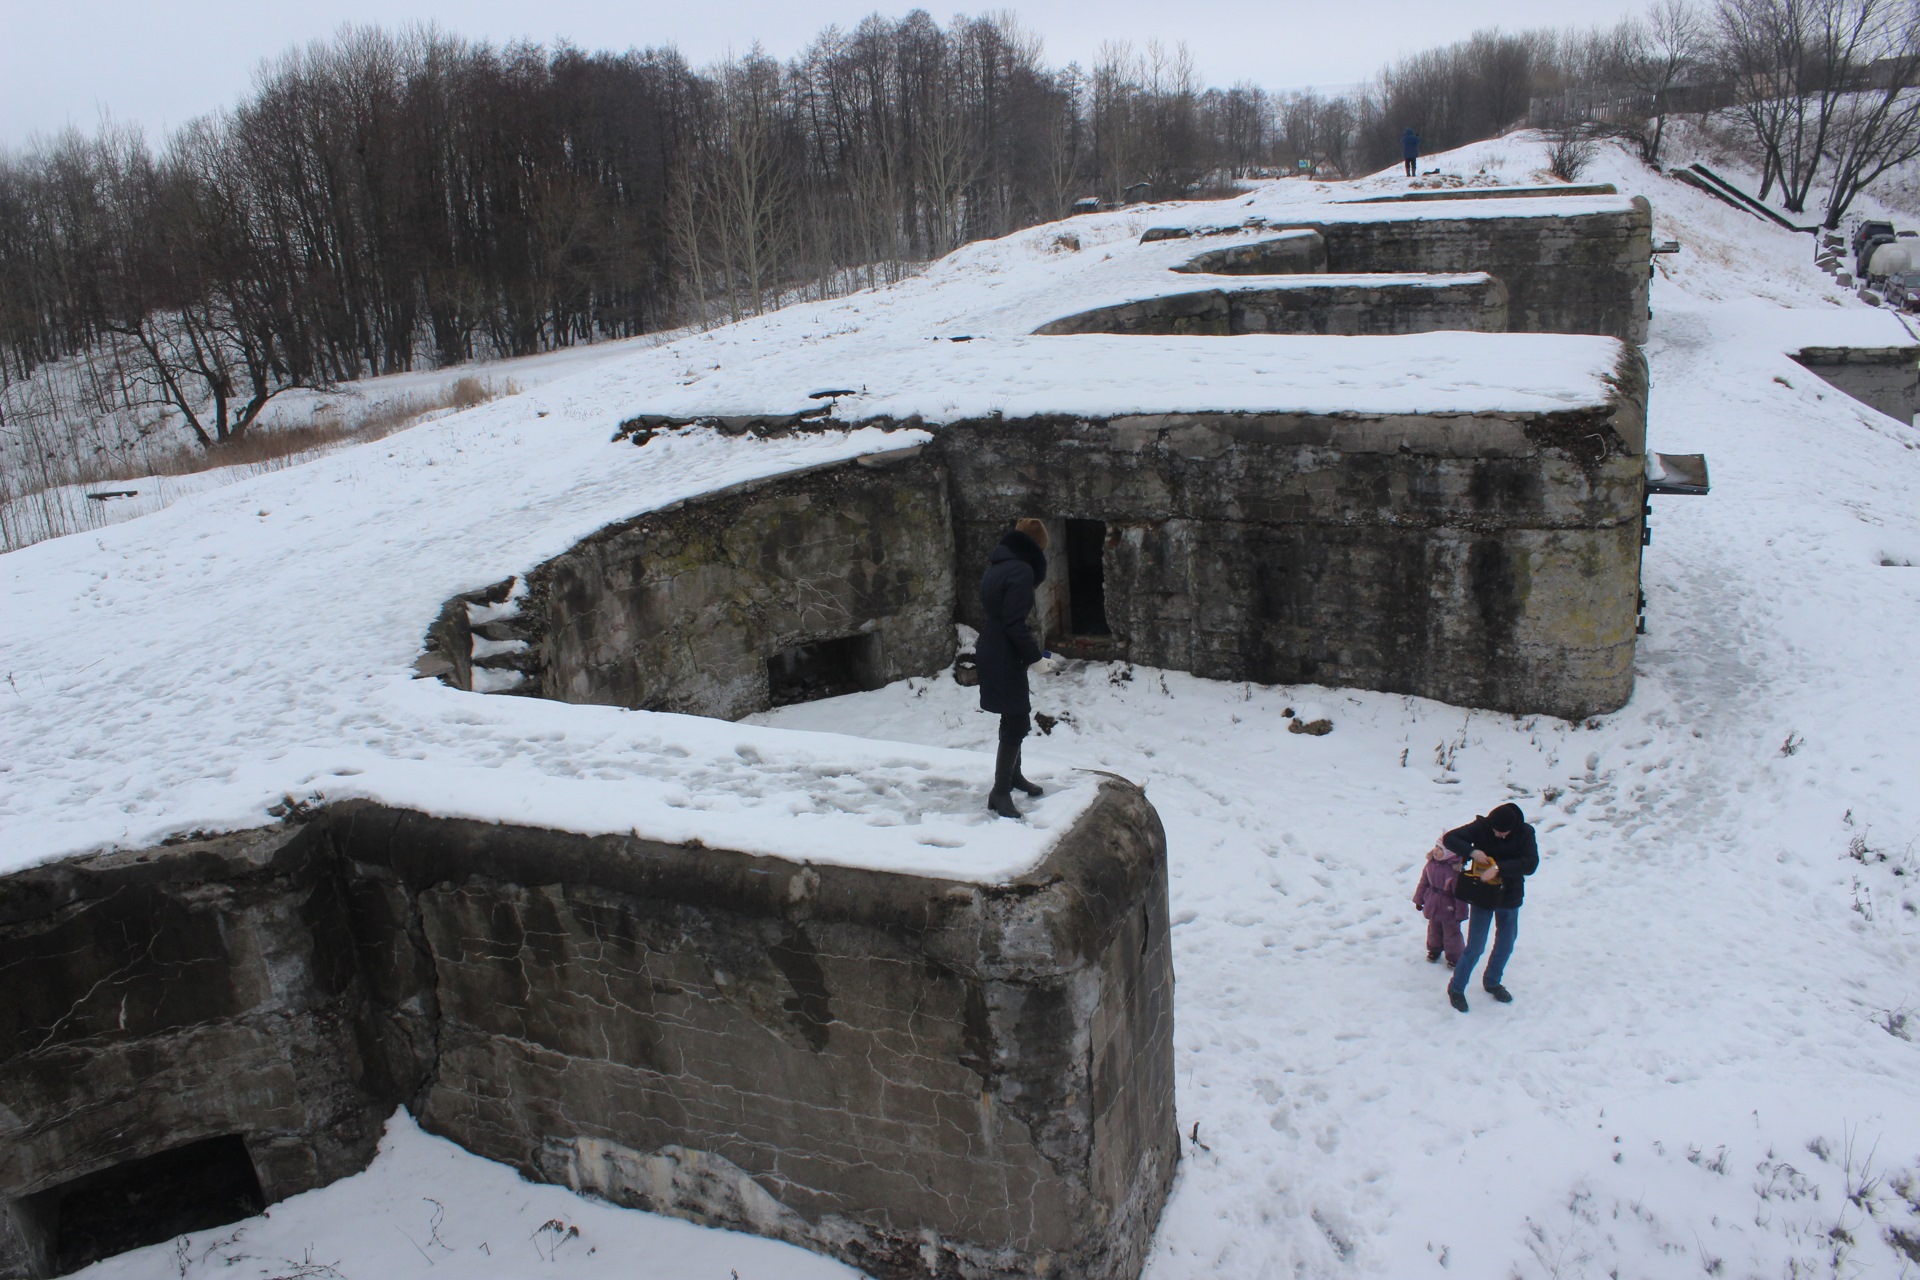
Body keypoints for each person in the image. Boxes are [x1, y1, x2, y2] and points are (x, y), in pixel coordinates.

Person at [976, 518, 1049, 818]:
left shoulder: (999, 564)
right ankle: (1000, 791)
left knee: (1012, 716)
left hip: (993, 646)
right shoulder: (1021, 570)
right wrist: (1036, 658)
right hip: (1004, 652)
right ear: (1037, 547)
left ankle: (1013, 777)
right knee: (1017, 721)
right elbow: (1014, 624)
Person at [1442, 802, 1539, 1012]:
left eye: (1502, 833)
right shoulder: (1482, 826)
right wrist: (1472, 851)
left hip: (1510, 894)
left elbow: (1531, 864)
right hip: (1483, 894)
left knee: (1506, 942)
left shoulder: (1525, 832)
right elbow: (1450, 838)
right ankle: (1456, 988)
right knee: (1476, 946)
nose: (1497, 835)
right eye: (1495, 831)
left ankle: (1492, 981)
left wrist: (1499, 868)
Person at [1412, 838, 1468, 968]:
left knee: (1451, 933)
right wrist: (1419, 899)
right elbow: (1423, 883)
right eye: (1436, 847)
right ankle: (1434, 949)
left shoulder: (1454, 871)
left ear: (1449, 854)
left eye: (1440, 849)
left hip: (1449, 907)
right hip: (1432, 902)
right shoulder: (1430, 864)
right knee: (1433, 929)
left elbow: (1460, 895)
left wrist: (1461, 913)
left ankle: (1454, 956)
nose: (1436, 851)